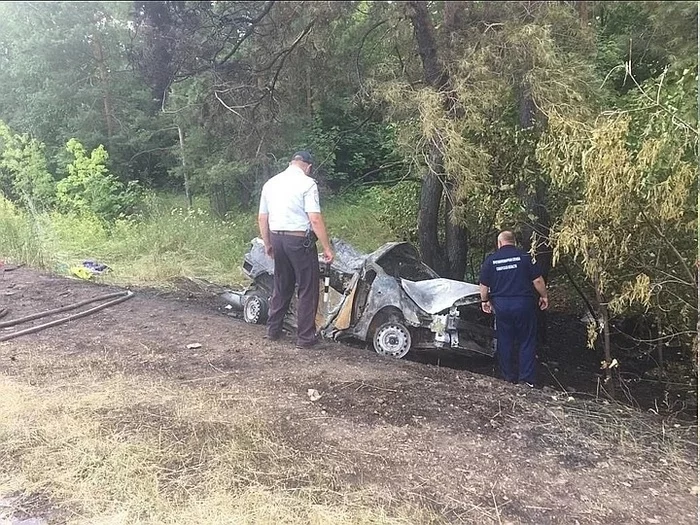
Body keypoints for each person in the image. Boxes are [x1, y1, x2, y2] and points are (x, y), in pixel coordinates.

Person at [257, 151, 334, 348]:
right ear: (308, 167)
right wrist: (327, 247)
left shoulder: (271, 183)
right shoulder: (308, 184)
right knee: (308, 287)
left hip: (277, 238)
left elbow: (262, 218)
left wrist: (267, 243)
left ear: (291, 163)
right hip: (299, 241)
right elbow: (314, 218)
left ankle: (273, 330)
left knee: (282, 284)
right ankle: (306, 338)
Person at [478, 230, 548, 387]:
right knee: (526, 340)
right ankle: (526, 379)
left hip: (501, 305)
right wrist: (544, 296)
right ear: (514, 242)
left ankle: (508, 377)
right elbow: (537, 280)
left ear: (500, 243)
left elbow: (483, 285)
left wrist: (484, 301)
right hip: (523, 304)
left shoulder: (491, 260)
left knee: (505, 340)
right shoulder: (524, 257)